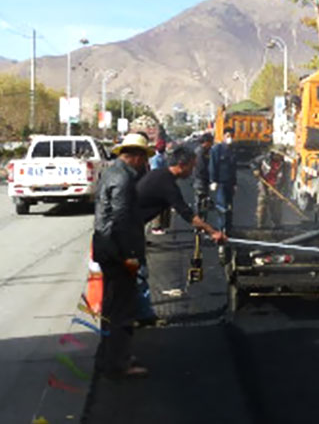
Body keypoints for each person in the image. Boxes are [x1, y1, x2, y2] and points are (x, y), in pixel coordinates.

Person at [132, 142, 226, 325]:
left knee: (137, 273)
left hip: (131, 227)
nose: (193, 170)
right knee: (138, 273)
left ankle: (140, 314)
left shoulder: (160, 176)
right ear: (182, 165)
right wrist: (213, 232)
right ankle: (140, 316)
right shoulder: (166, 183)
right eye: (192, 166)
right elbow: (187, 214)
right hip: (127, 230)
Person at [92, 133, 153, 379]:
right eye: (143, 158)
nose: (145, 164)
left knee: (111, 308)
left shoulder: (112, 172)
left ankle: (109, 357)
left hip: (108, 250)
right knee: (121, 310)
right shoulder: (123, 180)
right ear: (136, 157)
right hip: (117, 254)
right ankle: (118, 364)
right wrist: (129, 256)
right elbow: (121, 221)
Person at [209, 127, 239, 233]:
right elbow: (213, 165)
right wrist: (213, 180)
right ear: (223, 136)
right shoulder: (216, 149)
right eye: (228, 136)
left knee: (229, 206)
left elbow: (234, 168)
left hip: (230, 183)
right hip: (220, 182)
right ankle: (221, 228)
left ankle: (229, 227)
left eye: (231, 136)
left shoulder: (233, 150)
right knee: (221, 206)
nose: (230, 139)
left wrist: (235, 183)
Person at [255, 152, 286, 228]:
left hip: (276, 185)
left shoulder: (283, 164)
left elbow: (285, 178)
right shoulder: (265, 158)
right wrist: (256, 170)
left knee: (276, 205)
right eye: (279, 155)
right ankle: (261, 224)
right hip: (264, 183)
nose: (280, 156)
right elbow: (253, 163)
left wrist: (283, 191)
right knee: (262, 203)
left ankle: (277, 224)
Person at [148, 138, 171, 235]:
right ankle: (155, 227)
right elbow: (155, 172)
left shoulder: (163, 157)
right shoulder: (155, 158)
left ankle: (162, 225)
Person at [191, 132, 214, 214]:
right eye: (211, 142)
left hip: (203, 179)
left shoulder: (206, 151)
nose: (212, 144)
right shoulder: (200, 152)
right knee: (200, 201)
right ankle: (199, 221)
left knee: (204, 202)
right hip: (200, 179)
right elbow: (200, 168)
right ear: (206, 142)